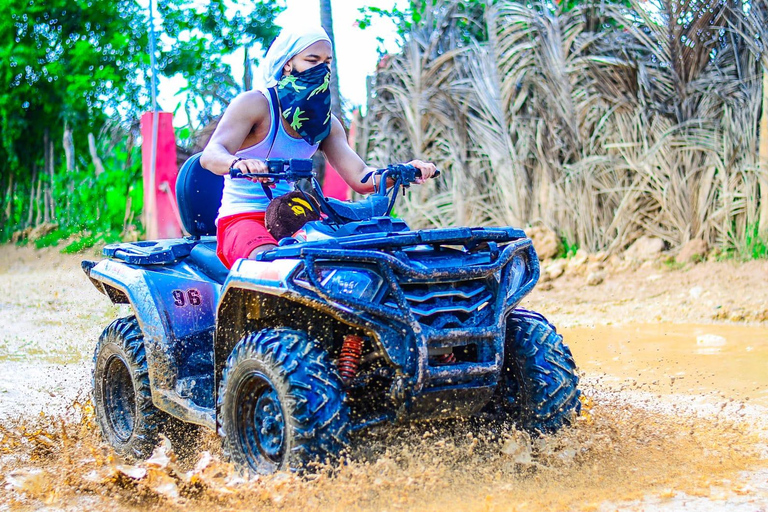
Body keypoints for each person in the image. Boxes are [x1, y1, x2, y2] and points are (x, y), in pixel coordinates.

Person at [200, 24, 437, 268]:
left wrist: (403, 171)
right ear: (288, 63)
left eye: (327, 62)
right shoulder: (255, 104)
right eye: (312, 60)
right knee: (276, 265)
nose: (321, 69)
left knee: (352, 262)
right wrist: (238, 163)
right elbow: (211, 155)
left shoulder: (326, 125)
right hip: (242, 218)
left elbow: (360, 177)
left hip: (297, 217)